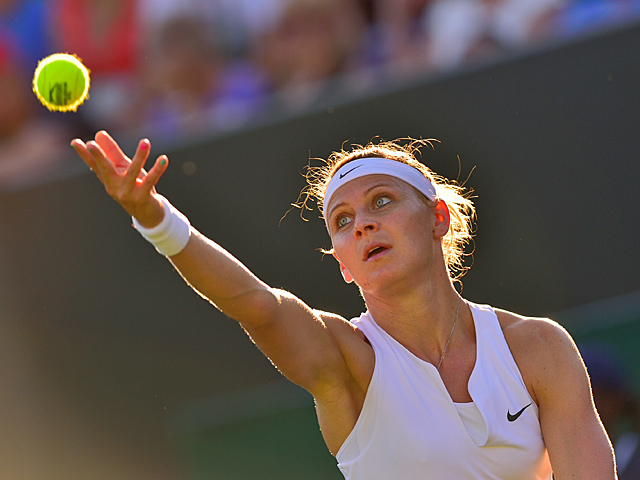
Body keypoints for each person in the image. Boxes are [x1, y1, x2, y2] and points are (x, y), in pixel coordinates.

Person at [70, 131, 617, 479]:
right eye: (343, 221)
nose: (364, 225)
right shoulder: (345, 361)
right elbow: (257, 305)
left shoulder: (538, 347)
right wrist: (157, 221)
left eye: (382, 201)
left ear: (438, 219)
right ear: (343, 264)